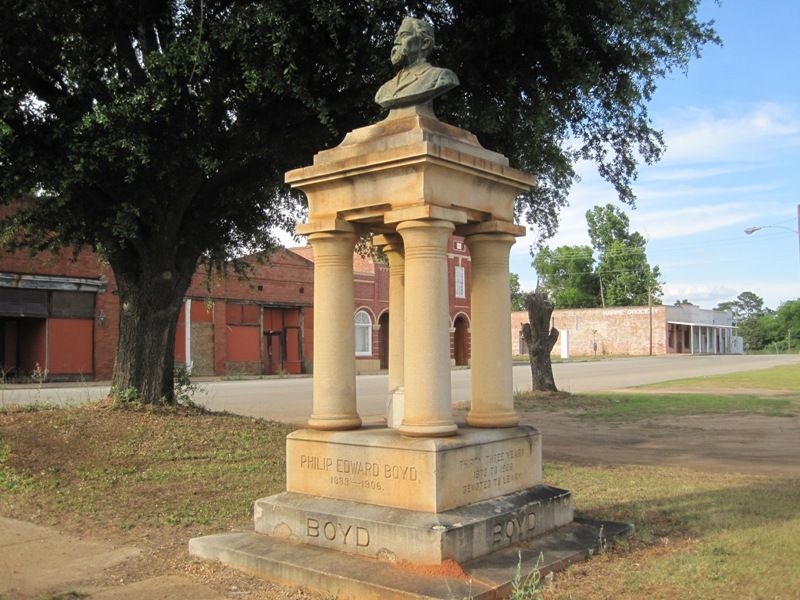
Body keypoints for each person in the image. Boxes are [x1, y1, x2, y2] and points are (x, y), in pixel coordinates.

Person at [375, 18, 459, 110]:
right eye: (396, 36)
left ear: (424, 43)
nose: (396, 41)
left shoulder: (440, 76)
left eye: (404, 35)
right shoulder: (384, 89)